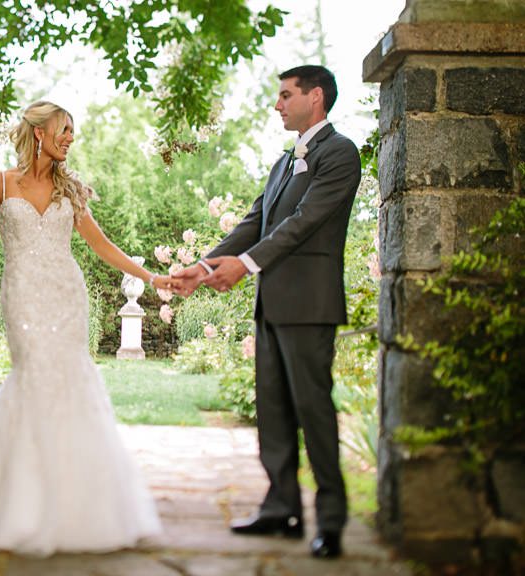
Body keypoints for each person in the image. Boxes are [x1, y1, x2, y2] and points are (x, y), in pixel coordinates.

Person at [0, 100, 168, 556]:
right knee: (32, 374)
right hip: (22, 294)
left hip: (67, 295)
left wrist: (150, 277)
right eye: (65, 129)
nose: (70, 138)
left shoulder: (72, 191)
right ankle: (19, 503)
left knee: (69, 379)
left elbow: (100, 244)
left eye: (72, 132)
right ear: (39, 132)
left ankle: (76, 503)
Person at [172, 65, 361, 559]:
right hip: (272, 306)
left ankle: (332, 520)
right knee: (273, 412)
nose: (277, 104)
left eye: (285, 95)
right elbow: (254, 222)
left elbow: (305, 221)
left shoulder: (340, 153)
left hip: (310, 307)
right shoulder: (282, 163)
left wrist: (245, 266)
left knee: (313, 411)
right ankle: (280, 508)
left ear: (315, 97)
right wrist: (202, 264)